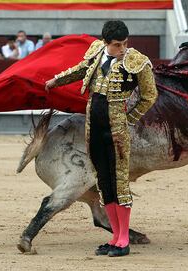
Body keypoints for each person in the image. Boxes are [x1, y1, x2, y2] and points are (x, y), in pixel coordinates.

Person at [44, 20, 158, 257]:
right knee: (103, 182)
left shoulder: (137, 61)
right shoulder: (96, 51)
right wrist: (57, 80)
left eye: (126, 43)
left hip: (116, 130)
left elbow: (150, 96)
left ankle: (124, 240)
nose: (123, 48)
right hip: (93, 126)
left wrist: (129, 118)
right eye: (118, 45)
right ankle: (115, 237)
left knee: (119, 183)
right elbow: (80, 69)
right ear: (107, 43)